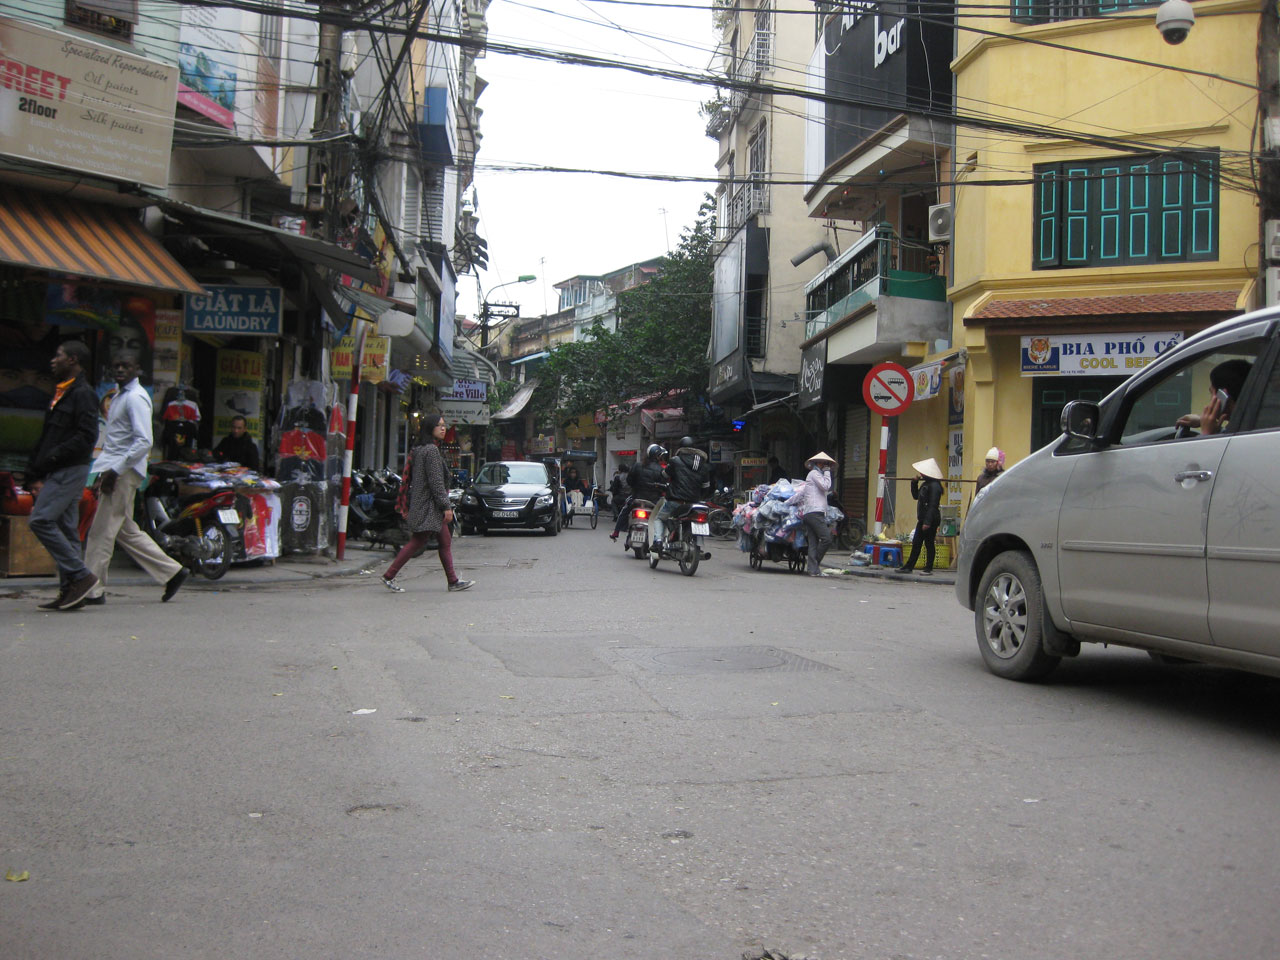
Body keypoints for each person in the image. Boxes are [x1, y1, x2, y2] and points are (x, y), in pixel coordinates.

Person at [80, 352, 188, 608]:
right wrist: (104, 471)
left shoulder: (136, 398)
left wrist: (114, 471)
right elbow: (116, 441)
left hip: (122, 472)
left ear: (137, 369)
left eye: (125, 366)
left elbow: (144, 441)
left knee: (101, 532)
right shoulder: (120, 396)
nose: (120, 369)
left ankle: (91, 590)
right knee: (125, 530)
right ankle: (172, 572)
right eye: (116, 365)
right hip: (115, 470)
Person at [26, 341, 100, 610]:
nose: (52, 360)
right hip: (59, 467)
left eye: (58, 356)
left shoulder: (83, 393)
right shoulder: (62, 392)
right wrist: (37, 466)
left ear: (73, 359)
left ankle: (80, 576)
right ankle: (71, 591)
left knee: (41, 520)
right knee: (67, 529)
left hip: (70, 468)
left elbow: (87, 436)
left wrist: (54, 456)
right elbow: (49, 435)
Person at [381, 414, 474, 593]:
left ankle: (453, 581)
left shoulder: (420, 449)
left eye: (443, 425)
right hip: (430, 507)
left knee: (443, 541)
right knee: (418, 541)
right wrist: (446, 506)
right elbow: (436, 482)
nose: (443, 428)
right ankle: (389, 575)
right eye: (439, 425)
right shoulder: (430, 451)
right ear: (430, 428)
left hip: (425, 504)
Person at [651, 436, 710, 548]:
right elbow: (706, 487)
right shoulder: (704, 465)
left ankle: (658, 541)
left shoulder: (675, 461)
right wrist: (700, 498)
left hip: (675, 500)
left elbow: (664, 475)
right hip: (694, 503)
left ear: (680, 448)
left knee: (659, 518)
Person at [786, 451, 836, 577]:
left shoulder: (813, 476)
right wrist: (827, 472)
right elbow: (826, 486)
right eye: (824, 464)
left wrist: (787, 502)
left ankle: (812, 570)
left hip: (811, 513)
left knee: (813, 543)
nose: (825, 466)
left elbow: (802, 493)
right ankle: (814, 564)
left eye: (826, 464)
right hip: (814, 513)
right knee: (826, 539)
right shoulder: (814, 474)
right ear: (817, 463)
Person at [1175, 359, 1251, 436]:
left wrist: (1207, 433)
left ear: (1222, 396)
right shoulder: (1249, 425)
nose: (1210, 399)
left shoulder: (1241, 433)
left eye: (1211, 393)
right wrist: (1203, 421)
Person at [897, 458, 944, 575]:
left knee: (928, 543)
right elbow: (916, 496)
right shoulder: (926, 484)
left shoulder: (935, 486)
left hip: (931, 519)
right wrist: (914, 483)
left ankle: (928, 567)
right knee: (917, 542)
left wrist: (927, 522)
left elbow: (933, 505)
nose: (921, 474)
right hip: (923, 518)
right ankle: (909, 566)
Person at [610, 447, 666, 541]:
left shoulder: (637, 465)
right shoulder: (661, 470)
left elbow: (629, 481)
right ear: (658, 456)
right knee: (661, 517)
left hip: (637, 498)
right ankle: (660, 539)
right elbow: (663, 486)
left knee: (624, 511)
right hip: (654, 501)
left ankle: (616, 532)